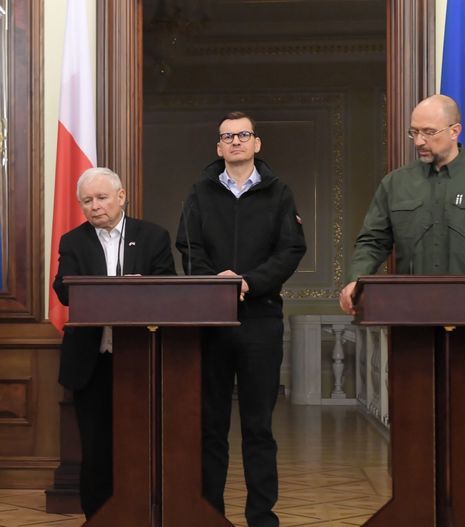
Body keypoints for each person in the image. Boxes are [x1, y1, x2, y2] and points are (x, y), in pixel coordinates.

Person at [338, 94, 465, 501]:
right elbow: (372, 241)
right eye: (415, 132)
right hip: (411, 324)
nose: (419, 141)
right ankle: (414, 501)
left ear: (456, 131)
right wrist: (358, 279)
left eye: (429, 132)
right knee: (413, 417)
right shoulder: (396, 184)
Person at [176, 111, 306, 527]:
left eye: (243, 135)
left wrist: (249, 282)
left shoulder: (279, 192)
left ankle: (261, 516)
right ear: (218, 147)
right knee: (211, 427)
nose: (235, 142)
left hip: (260, 321)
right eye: (227, 137)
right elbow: (188, 247)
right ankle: (209, 513)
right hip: (212, 323)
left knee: (258, 428)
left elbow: (290, 250)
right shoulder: (199, 192)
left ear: (257, 143)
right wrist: (217, 284)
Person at [52, 167, 175, 519]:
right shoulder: (72, 241)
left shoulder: (152, 236)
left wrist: (140, 289)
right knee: (96, 450)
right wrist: (102, 291)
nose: (95, 207)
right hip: (91, 362)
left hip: (139, 359)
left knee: (138, 446)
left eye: (102, 198)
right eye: (87, 201)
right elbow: (63, 290)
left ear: (121, 197)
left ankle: (141, 514)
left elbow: (169, 287)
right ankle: (99, 518)